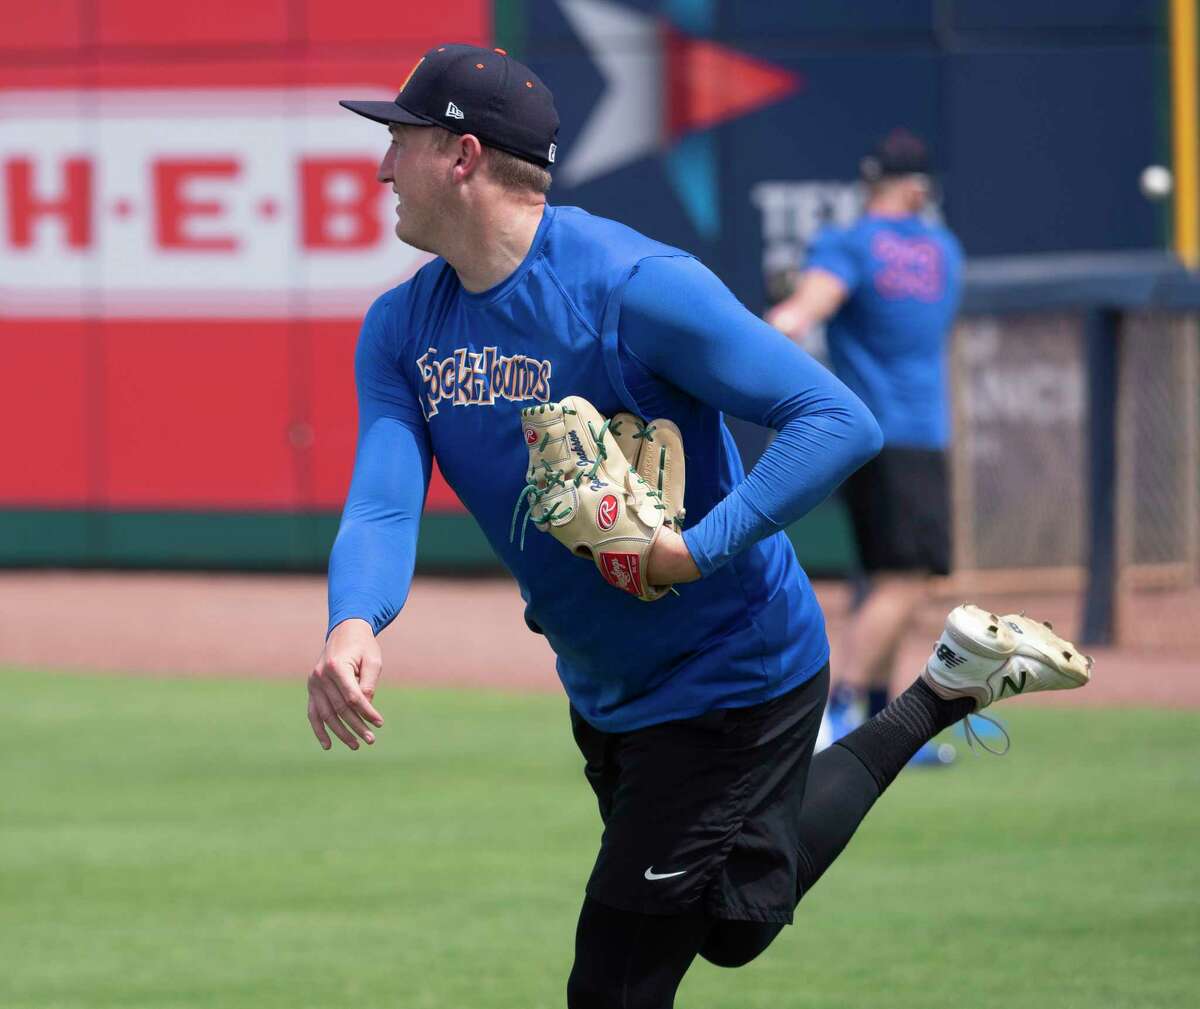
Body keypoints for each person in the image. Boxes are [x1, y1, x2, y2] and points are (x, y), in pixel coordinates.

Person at [308, 46, 1090, 1009]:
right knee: (731, 930)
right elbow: (384, 500)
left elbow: (838, 418)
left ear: (462, 156)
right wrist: (353, 622)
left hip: (735, 668)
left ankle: (935, 693)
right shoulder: (401, 329)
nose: (384, 164)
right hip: (608, 687)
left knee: (615, 983)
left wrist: (696, 548)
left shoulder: (633, 285)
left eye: (401, 138)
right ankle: (940, 691)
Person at [766, 131, 966, 764]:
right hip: (912, 433)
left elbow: (801, 315)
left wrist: (777, 331)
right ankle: (836, 713)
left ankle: (884, 723)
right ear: (919, 189)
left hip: (871, 435)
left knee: (892, 579)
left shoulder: (849, 242)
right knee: (905, 581)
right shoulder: (944, 248)